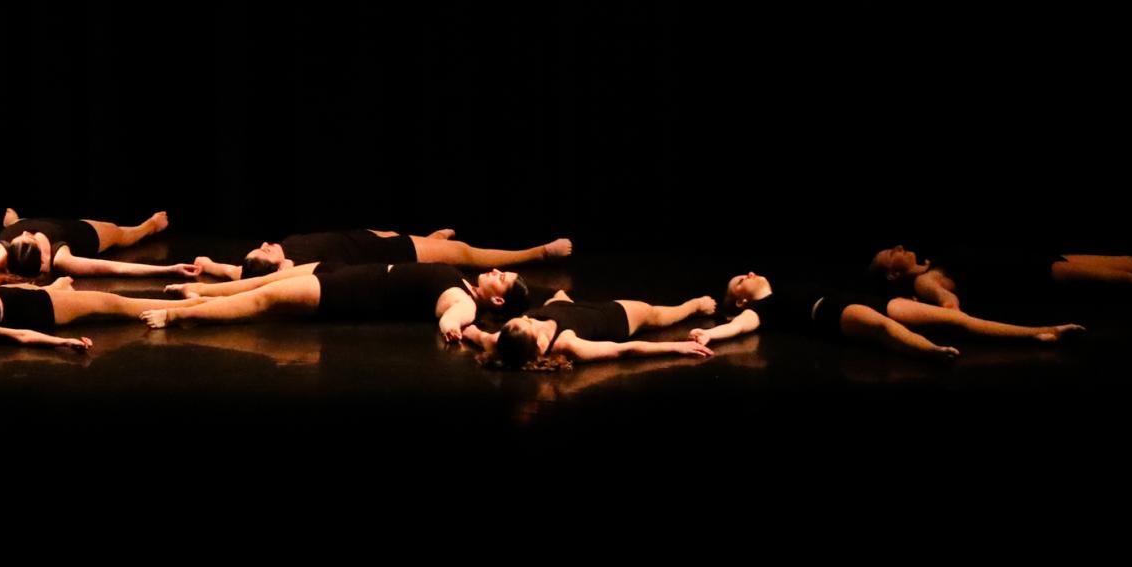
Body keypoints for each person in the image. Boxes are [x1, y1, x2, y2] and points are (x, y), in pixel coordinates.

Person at [690, 270, 1085, 361]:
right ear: (740, 299)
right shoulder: (761, 309)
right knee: (883, 328)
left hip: (856, 298)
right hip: (831, 313)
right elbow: (740, 325)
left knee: (958, 319)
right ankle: (932, 351)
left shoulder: (787, 283)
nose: (751, 274)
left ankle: (1040, 331)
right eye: (741, 279)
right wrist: (712, 336)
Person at [140, 262, 532, 340]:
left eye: (503, 278)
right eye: (502, 270)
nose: (497, 273)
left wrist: (453, 329)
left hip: (346, 293)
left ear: (497, 303)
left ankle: (175, 316)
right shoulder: (462, 279)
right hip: (345, 271)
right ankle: (201, 293)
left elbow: (454, 317)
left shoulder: (463, 299)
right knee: (261, 283)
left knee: (263, 300)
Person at [869, 246, 1132, 306]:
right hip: (1034, 277)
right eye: (892, 253)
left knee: (1129, 261)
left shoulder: (933, 259)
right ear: (891, 274)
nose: (900, 248)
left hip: (1039, 257)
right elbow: (948, 304)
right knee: (1127, 283)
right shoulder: (924, 281)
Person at [0, 207, 196, 288]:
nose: (25, 234)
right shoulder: (62, 259)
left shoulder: (4, 250)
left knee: (15, 222)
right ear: (43, 260)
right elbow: (114, 267)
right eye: (28, 238)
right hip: (75, 231)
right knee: (119, 233)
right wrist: (170, 268)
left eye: (21, 236)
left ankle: (13, 220)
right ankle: (147, 226)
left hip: (31, 218)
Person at [0, 279, 193, 349]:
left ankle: (195, 302)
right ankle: (189, 306)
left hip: (22, 292)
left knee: (105, 299)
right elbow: (18, 336)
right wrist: (60, 343)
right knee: (115, 303)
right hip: (42, 307)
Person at [191, 226, 573, 282]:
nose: (265, 245)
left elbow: (237, 273)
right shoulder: (298, 269)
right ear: (280, 268)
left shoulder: (274, 256)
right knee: (464, 253)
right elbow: (253, 279)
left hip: (370, 235)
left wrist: (208, 264)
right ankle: (537, 254)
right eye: (264, 252)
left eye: (258, 246)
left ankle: (429, 239)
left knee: (426, 240)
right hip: (392, 252)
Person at [465, 289, 718, 369]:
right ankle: (692, 306)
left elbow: (473, 332)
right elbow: (623, 351)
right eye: (529, 322)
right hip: (614, 317)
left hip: (564, 308)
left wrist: (455, 327)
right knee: (659, 314)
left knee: (557, 301)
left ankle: (561, 301)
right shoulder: (568, 344)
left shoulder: (502, 340)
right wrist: (677, 347)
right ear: (541, 345)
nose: (529, 318)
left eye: (523, 318)